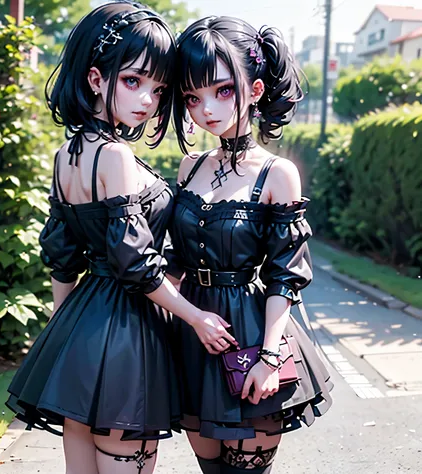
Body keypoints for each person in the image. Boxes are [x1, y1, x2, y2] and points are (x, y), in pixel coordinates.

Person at [6, 4, 236, 474]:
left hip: (83, 326)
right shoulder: (113, 155)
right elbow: (137, 265)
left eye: (158, 88)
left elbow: (63, 257)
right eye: (133, 81)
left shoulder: (65, 153)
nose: (148, 100)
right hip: (128, 334)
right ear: (95, 78)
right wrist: (197, 318)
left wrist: (63, 330)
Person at [166, 16, 334, 474]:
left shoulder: (277, 174)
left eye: (222, 90)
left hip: (251, 334)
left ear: (255, 90)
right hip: (193, 335)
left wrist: (269, 355)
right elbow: (176, 261)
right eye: (192, 97)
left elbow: (286, 275)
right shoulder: (189, 167)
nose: (206, 110)